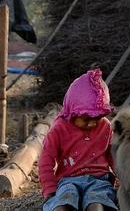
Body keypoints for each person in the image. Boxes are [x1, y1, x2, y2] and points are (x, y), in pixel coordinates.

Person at [38, 68, 118, 211]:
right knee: (62, 204)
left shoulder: (105, 126)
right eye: (86, 119)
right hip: (68, 180)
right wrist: (49, 189)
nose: (93, 123)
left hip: (99, 180)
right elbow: (46, 160)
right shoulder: (59, 129)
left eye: (98, 118)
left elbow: (112, 155)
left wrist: (121, 176)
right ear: (72, 112)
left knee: (97, 204)